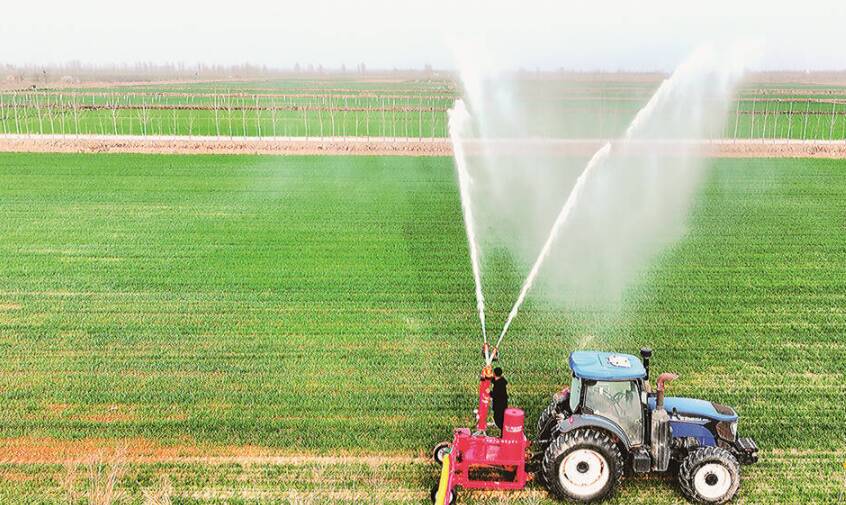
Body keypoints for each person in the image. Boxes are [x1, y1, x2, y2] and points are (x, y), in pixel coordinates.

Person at [490, 367, 508, 434]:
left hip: (499, 405)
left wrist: (489, 392)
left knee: (498, 420)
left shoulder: (499, 384)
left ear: (494, 373)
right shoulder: (500, 380)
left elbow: (496, 395)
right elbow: (493, 380)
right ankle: (503, 433)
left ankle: (504, 434)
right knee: (501, 419)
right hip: (502, 404)